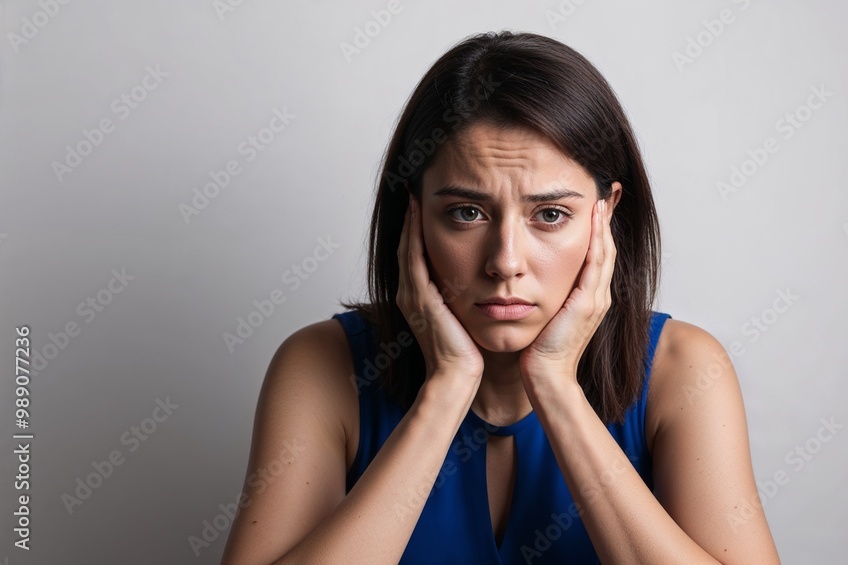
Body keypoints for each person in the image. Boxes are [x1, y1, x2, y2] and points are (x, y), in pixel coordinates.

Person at [221, 30, 781, 564]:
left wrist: (557, 386)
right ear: (412, 215)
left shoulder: (682, 369)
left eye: (550, 215)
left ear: (605, 215)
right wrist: (445, 391)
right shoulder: (322, 367)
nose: (506, 261)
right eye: (467, 212)